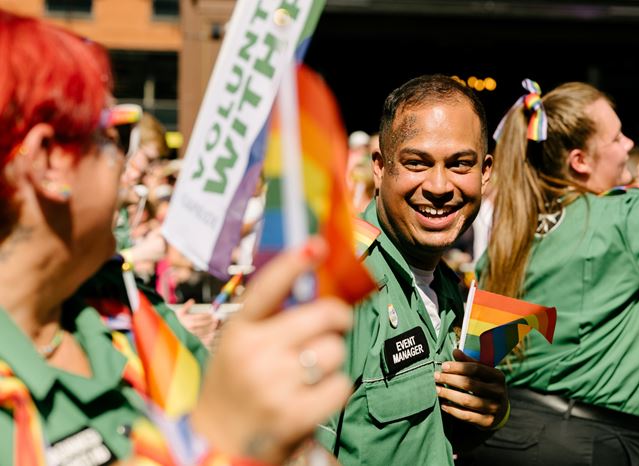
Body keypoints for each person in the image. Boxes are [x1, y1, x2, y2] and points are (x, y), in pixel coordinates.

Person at [0, 10, 353, 465]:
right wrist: (219, 437)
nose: (128, 171)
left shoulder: (128, 318)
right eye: (113, 135)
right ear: (49, 163)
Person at [471, 79, 639, 465]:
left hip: (510, 434)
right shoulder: (617, 218)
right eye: (616, 138)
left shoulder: (516, 233)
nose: (629, 145)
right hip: (581, 442)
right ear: (579, 161)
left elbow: (485, 348)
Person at [317, 74, 508, 465]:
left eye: (460, 164)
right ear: (380, 167)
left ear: (485, 171)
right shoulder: (340, 286)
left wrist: (486, 416)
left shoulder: (449, 287)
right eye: (417, 163)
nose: (439, 186)